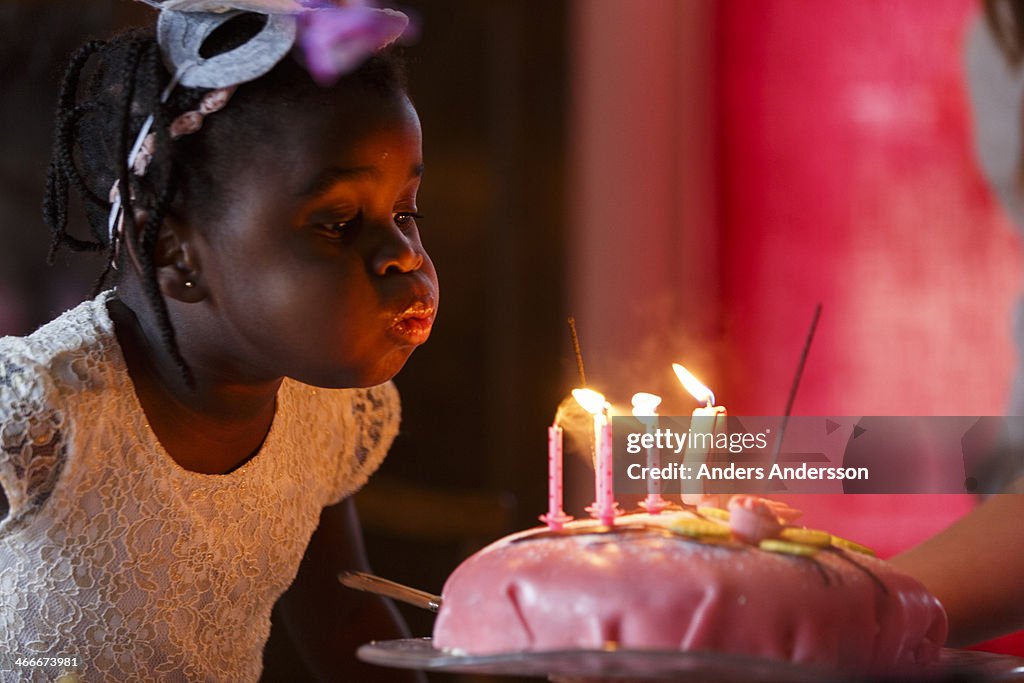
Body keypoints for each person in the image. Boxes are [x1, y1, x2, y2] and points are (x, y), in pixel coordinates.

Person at [0, 1, 436, 681]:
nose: (404, 255)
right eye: (340, 222)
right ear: (177, 253)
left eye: (405, 212)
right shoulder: (42, 410)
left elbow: (345, 619)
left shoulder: (323, 417)